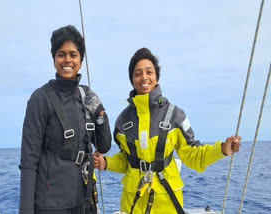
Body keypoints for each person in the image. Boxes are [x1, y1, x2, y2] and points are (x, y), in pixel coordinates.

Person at [94, 48, 241, 214]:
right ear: (132, 80)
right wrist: (106, 163)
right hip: (132, 204)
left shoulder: (175, 115)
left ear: (156, 76)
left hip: (168, 203)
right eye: (137, 73)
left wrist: (222, 149)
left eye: (149, 72)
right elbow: (127, 161)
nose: (144, 77)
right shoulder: (122, 121)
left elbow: (193, 155)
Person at [19, 25, 112, 214]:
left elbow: (103, 146)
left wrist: (100, 112)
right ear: (54, 59)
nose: (67, 60)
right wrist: (26, 210)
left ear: (80, 60)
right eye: (61, 54)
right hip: (51, 205)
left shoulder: (87, 97)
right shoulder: (40, 99)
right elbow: (29, 160)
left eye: (73, 54)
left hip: (85, 201)